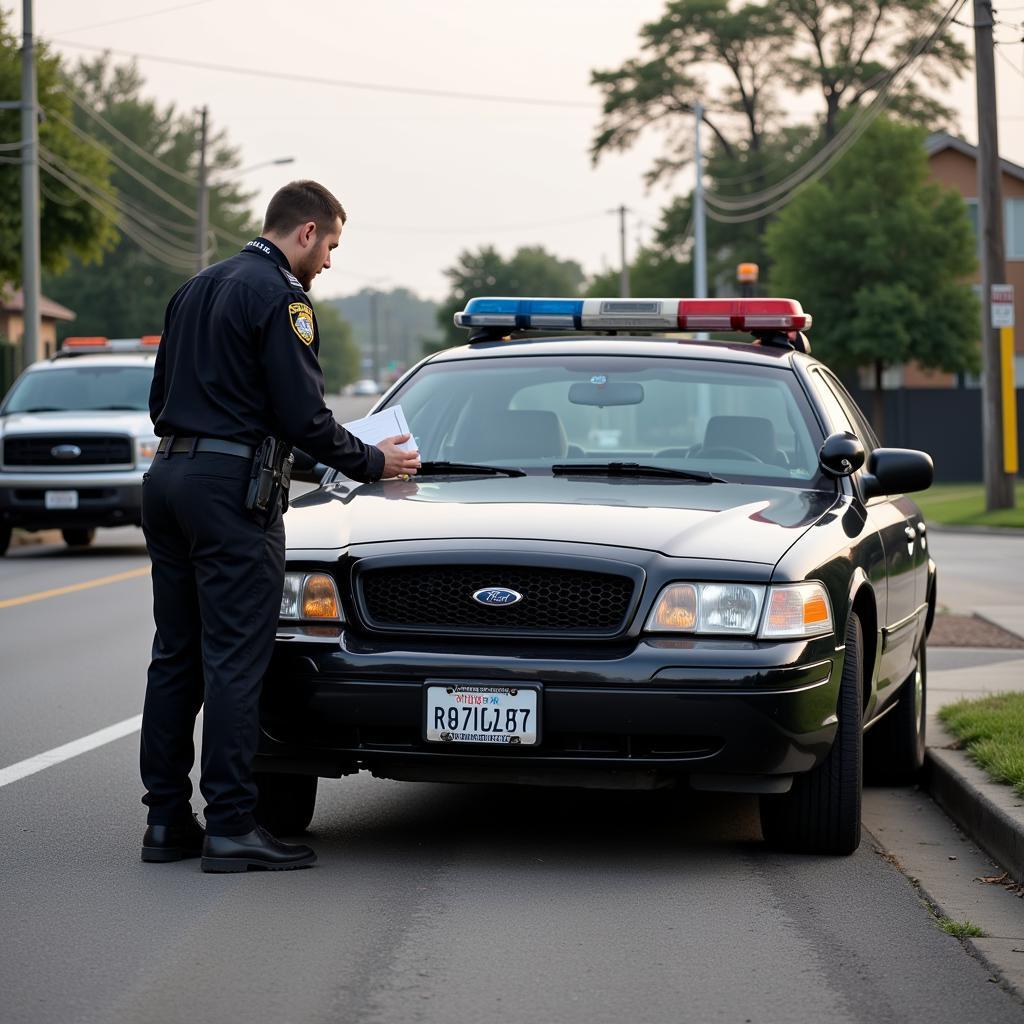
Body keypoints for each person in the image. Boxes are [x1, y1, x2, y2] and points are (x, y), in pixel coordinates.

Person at [139, 180, 420, 873]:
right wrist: (373, 462)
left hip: (170, 480)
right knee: (236, 658)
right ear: (304, 233)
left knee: (177, 656)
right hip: (230, 499)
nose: (328, 262)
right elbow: (304, 417)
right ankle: (234, 824)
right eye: (329, 246)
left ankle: (167, 823)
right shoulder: (281, 298)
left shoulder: (194, 290)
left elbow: (163, 402)